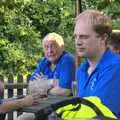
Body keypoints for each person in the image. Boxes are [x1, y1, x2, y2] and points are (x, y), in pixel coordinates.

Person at [17, 32, 75, 120]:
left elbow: (65, 91)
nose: (49, 51)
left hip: (64, 112)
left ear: (62, 47)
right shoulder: (44, 62)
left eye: (53, 46)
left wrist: (44, 87)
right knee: (22, 118)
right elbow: (31, 87)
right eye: (46, 47)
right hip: (45, 110)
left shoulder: (67, 60)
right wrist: (53, 82)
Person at [74, 10, 120, 118]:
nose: (77, 42)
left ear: (103, 38)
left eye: (84, 37)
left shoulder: (115, 67)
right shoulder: (82, 69)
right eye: (75, 36)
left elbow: (101, 115)